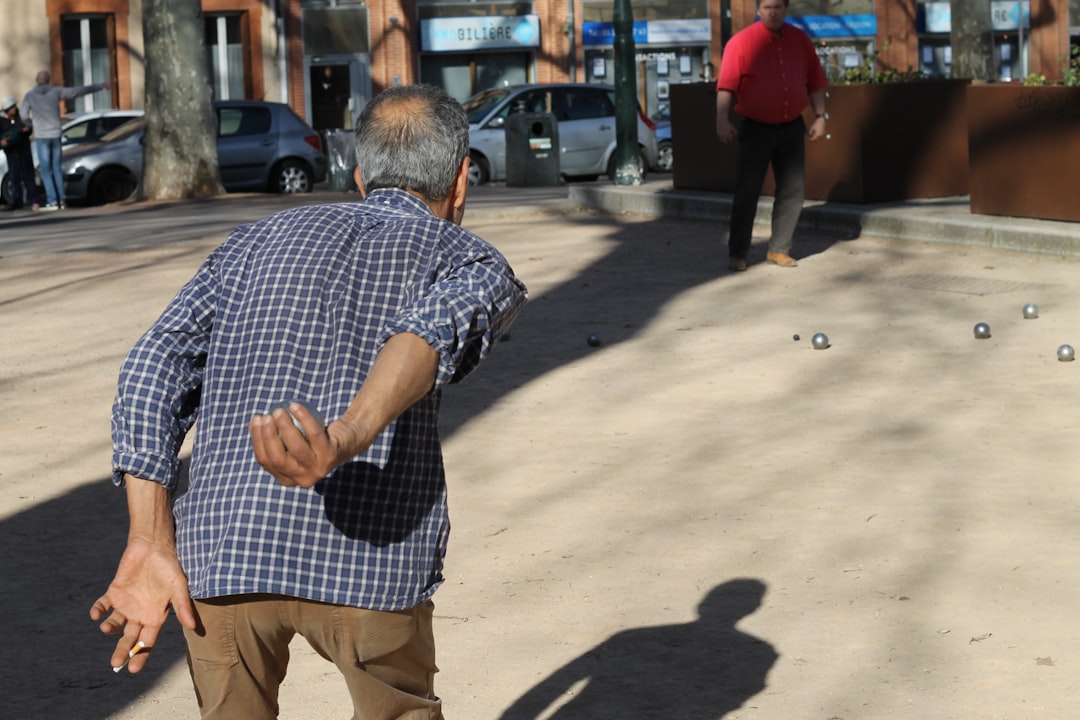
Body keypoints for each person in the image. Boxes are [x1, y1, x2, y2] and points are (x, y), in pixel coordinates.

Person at [90, 84, 528, 719]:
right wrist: (345, 437)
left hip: (225, 548)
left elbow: (155, 361)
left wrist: (149, 536)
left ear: (359, 176)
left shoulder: (250, 243)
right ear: (461, 180)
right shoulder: (470, 260)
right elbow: (426, 337)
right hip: (371, 559)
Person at [715, 0, 828, 271]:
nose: (772, 11)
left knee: (793, 190)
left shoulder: (800, 40)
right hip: (756, 127)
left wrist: (822, 116)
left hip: (791, 126)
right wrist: (721, 119)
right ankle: (738, 252)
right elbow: (726, 85)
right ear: (757, 10)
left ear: (786, 9)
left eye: (778, 6)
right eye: (766, 6)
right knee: (747, 190)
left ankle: (779, 249)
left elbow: (815, 81)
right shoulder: (741, 43)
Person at [21, 70, 109, 211]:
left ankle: (52, 200)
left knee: (45, 169)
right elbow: (78, 91)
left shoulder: (30, 96)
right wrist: (100, 86)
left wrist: (32, 124)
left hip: (42, 135)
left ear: (37, 81)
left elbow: (23, 115)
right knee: (56, 168)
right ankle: (61, 199)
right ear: (49, 80)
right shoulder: (55, 92)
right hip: (55, 133)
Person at [0, 95, 39, 211]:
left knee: (28, 176)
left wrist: (26, 130)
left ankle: (34, 200)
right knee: (14, 177)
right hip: (11, 152)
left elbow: (28, 129)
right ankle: (17, 201)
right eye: (11, 108)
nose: (13, 110)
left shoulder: (21, 116)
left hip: (23, 150)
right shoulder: (2, 120)